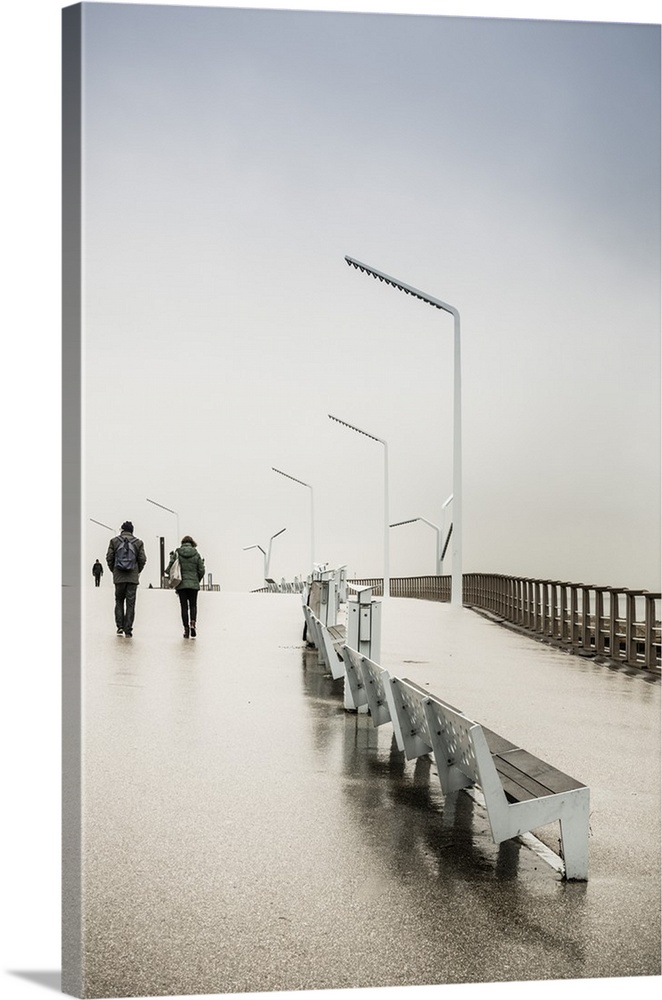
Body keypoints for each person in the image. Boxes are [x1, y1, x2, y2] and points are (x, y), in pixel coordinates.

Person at [106, 521, 147, 637]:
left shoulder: (114, 541)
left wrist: (114, 570)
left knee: (119, 601)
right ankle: (128, 629)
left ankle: (119, 626)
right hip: (132, 578)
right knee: (130, 603)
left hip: (119, 577)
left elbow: (109, 557)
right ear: (132, 530)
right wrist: (137, 571)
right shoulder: (138, 542)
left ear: (122, 530)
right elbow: (142, 559)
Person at [166, 535, 205, 638]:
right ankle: (193, 624)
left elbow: (170, 568)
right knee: (193, 605)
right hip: (193, 585)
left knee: (184, 607)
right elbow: (201, 570)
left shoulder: (177, 553)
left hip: (181, 584)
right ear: (192, 543)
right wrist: (197, 580)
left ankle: (186, 629)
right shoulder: (196, 554)